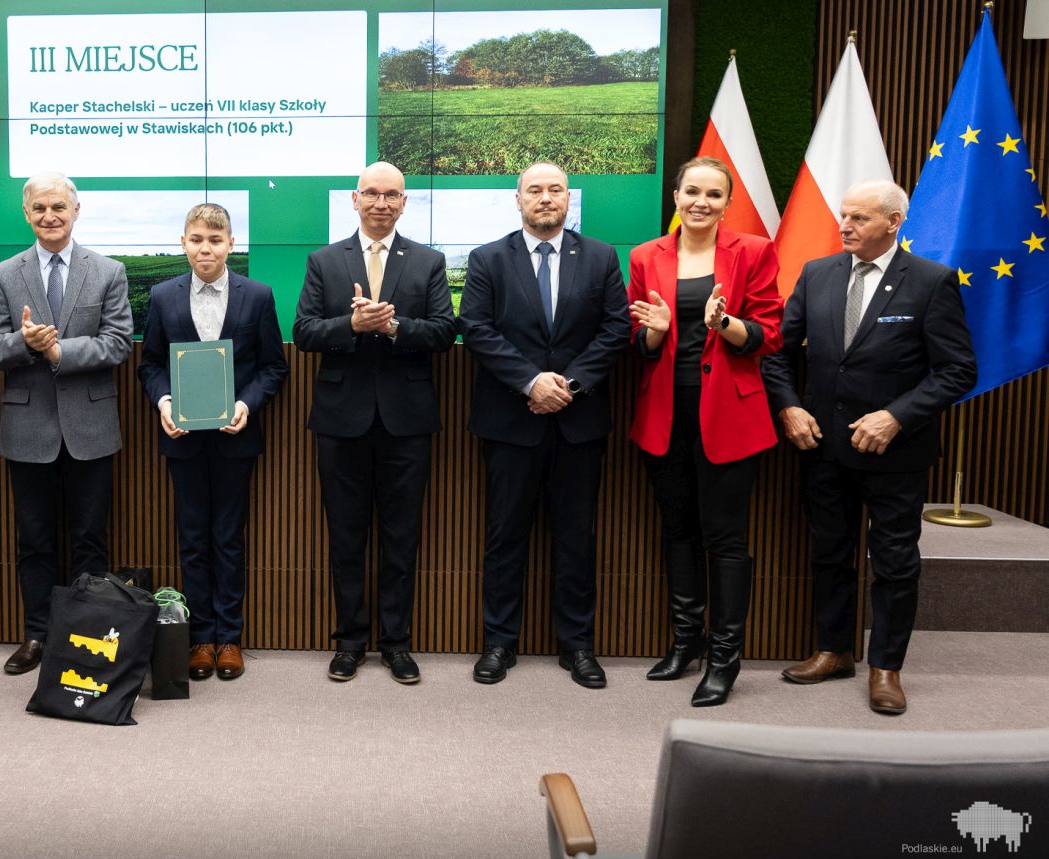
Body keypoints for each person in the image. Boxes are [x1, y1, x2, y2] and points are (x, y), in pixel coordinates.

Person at [763, 179, 974, 715]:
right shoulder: (817, 273)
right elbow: (778, 354)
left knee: (896, 562)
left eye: (859, 218)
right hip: (822, 446)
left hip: (894, 453)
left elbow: (957, 370)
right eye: (844, 216)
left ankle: (886, 667)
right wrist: (789, 407)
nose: (845, 226)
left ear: (893, 222)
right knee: (830, 552)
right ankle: (834, 651)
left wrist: (896, 416)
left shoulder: (930, 281)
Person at [458, 161, 630, 688]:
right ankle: (499, 643)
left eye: (556, 189)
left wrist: (568, 386)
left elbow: (615, 329)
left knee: (576, 538)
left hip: (579, 423)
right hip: (510, 422)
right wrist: (532, 382)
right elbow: (476, 329)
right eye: (535, 190)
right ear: (518, 200)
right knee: (504, 536)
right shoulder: (488, 258)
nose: (546, 198)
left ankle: (577, 646)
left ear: (568, 198)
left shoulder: (600, 257)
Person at [626, 157, 783, 707]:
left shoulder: (754, 252)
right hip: (665, 413)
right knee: (678, 531)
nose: (701, 202)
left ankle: (724, 659)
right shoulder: (645, 255)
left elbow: (770, 333)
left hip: (731, 414)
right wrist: (655, 332)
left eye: (714, 194)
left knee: (726, 538)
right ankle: (685, 643)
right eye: (692, 191)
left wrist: (725, 324)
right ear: (675, 196)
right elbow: (636, 341)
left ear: (726, 204)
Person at [292, 161, 456, 684]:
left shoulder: (429, 261)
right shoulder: (324, 261)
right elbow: (304, 331)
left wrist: (393, 327)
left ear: (404, 203)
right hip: (342, 420)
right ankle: (349, 642)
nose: (381, 203)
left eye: (391, 195)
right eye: (372, 194)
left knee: (401, 537)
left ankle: (397, 644)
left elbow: (444, 332)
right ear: (355, 199)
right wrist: (352, 324)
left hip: (407, 421)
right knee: (345, 537)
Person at [0, 171, 132, 675]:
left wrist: (58, 351)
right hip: (28, 430)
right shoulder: (3, 275)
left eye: (58, 207)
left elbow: (118, 343)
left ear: (75, 211)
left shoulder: (108, 271)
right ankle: (38, 635)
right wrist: (23, 343)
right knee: (34, 540)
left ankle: (83, 638)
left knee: (90, 539)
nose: (50, 216)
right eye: (40, 208)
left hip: (91, 428)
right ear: (26, 214)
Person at [137, 203, 288, 680]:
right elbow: (150, 364)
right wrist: (164, 401)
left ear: (231, 244)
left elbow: (273, 367)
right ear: (183, 242)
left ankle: (229, 638)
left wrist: (246, 404)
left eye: (216, 240)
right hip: (181, 438)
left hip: (234, 438)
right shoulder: (162, 296)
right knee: (192, 540)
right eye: (197, 239)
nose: (206, 249)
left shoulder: (257, 296)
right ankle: (200, 637)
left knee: (228, 539)